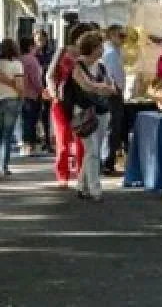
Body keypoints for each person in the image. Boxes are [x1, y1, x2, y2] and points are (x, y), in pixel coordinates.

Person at [67, 32, 119, 200]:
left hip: (102, 110)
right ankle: (95, 189)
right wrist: (102, 87)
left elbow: (111, 86)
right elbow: (86, 86)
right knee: (93, 150)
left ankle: (82, 185)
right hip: (83, 112)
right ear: (92, 48)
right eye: (99, 47)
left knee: (92, 151)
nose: (102, 49)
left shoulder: (101, 66)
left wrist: (102, 87)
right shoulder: (77, 66)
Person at [48, 24, 91, 188]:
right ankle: (63, 175)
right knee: (63, 141)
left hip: (80, 101)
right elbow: (50, 74)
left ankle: (82, 175)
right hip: (61, 101)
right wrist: (54, 92)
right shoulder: (62, 51)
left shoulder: (88, 55)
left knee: (82, 141)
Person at [0, 38, 25, 176]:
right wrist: (22, 97)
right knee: (7, 134)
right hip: (11, 99)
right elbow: (19, 84)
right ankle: (4, 166)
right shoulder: (17, 64)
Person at [101, 24, 129, 175]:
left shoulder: (115, 51)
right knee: (112, 128)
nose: (123, 39)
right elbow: (112, 75)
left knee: (113, 128)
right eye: (121, 36)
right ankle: (107, 161)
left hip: (114, 92)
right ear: (111, 35)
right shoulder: (111, 53)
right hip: (113, 93)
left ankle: (108, 160)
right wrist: (118, 89)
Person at [18, 36, 45, 157]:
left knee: (25, 120)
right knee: (31, 120)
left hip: (21, 93)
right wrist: (42, 90)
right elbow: (36, 78)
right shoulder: (32, 60)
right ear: (30, 47)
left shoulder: (19, 59)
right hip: (32, 94)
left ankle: (25, 144)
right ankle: (30, 146)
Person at [34, 29, 55, 154]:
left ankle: (47, 140)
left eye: (41, 39)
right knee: (36, 115)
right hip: (35, 87)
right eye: (37, 40)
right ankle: (37, 139)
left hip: (46, 87)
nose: (39, 42)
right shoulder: (33, 53)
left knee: (46, 115)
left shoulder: (50, 53)